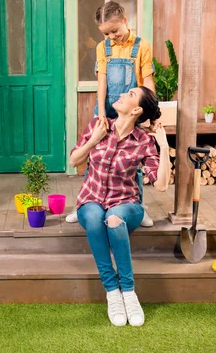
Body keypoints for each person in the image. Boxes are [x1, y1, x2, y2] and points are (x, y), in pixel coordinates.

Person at [69, 86, 170, 327]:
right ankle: (112, 292)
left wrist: (164, 146)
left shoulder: (144, 141)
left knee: (113, 219)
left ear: (136, 110)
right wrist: (95, 139)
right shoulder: (99, 124)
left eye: (131, 94)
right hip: (91, 199)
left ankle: (129, 292)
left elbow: (162, 185)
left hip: (126, 205)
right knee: (94, 217)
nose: (123, 94)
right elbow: (74, 160)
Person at [66, 1, 157, 226]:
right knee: (96, 156)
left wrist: (151, 114)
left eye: (114, 30)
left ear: (125, 20)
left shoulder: (142, 46)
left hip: (131, 111)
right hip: (108, 109)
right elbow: (102, 81)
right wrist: (101, 113)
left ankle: (138, 205)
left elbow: (147, 82)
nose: (111, 37)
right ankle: (85, 204)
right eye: (106, 33)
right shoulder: (103, 48)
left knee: (131, 159)